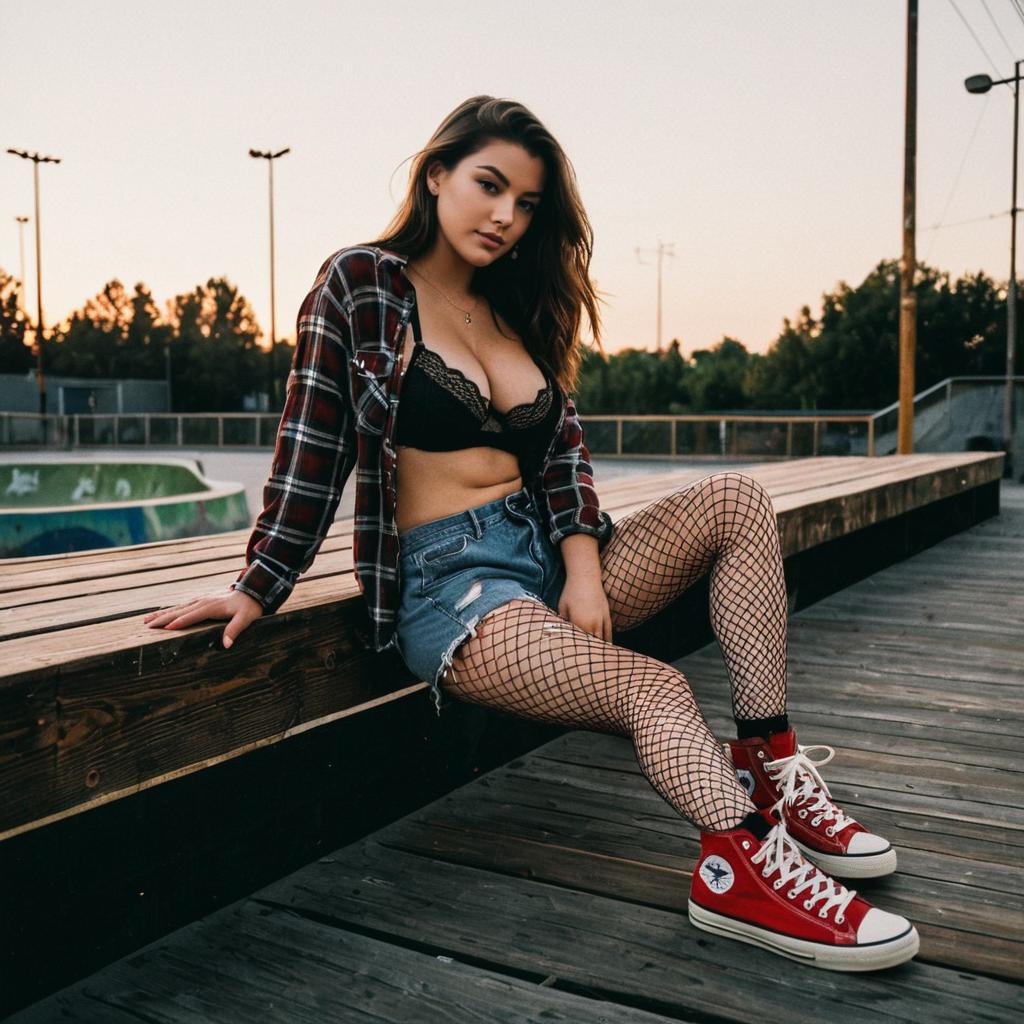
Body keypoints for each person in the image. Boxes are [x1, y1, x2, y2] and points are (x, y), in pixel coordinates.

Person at [143, 95, 919, 972]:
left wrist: (583, 571)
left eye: (527, 204)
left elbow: (562, 460)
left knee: (737, 499)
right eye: (489, 185)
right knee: (654, 689)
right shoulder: (360, 284)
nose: (506, 216)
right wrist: (257, 583)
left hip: (550, 561)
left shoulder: (513, 309)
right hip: (455, 588)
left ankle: (770, 772)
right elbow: (312, 447)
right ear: (435, 174)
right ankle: (739, 872)